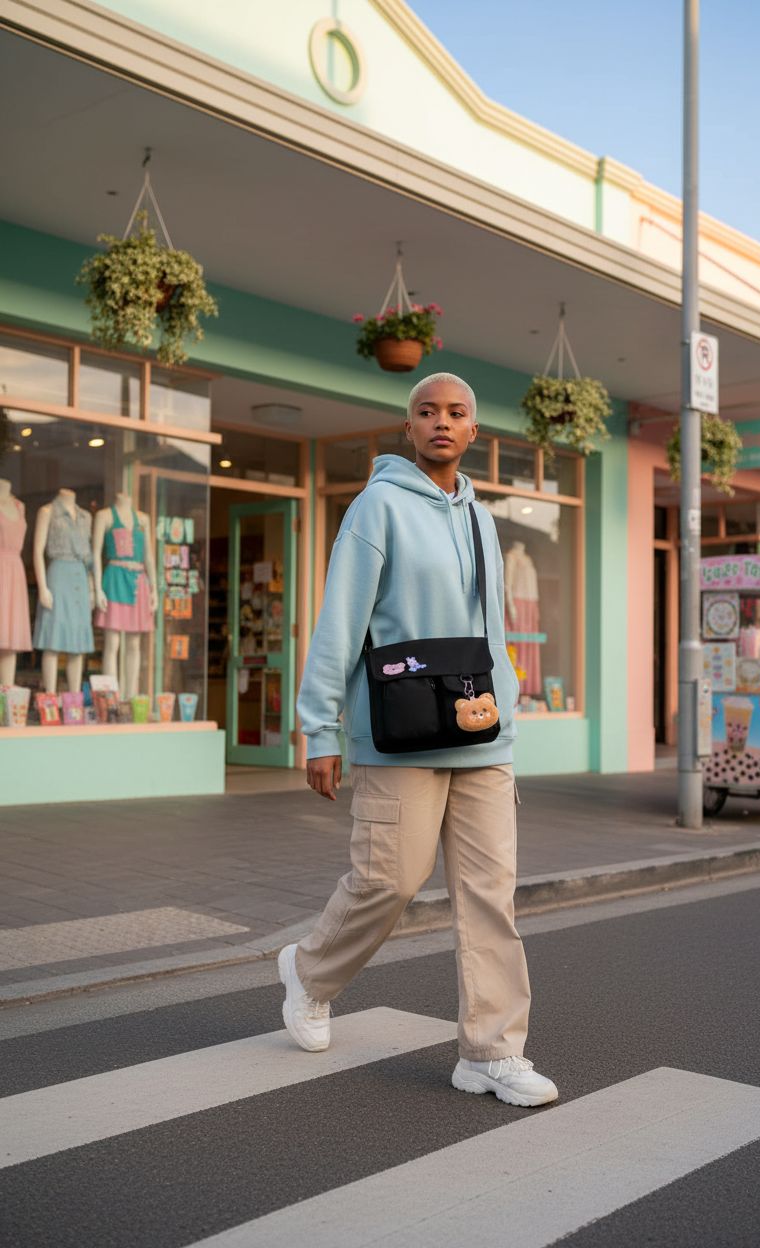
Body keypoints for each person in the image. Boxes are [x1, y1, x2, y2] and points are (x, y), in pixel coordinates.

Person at [279, 372, 557, 1109]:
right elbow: (341, 621)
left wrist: (511, 709)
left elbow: (493, 626)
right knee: (388, 881)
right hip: (397, 733)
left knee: (489, 897)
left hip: (480, 736)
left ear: (473, 433)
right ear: (409, 429)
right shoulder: (377, 507)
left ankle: (493, 1052)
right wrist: (319, 730)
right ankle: (308, 976)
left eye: (456, 413)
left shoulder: (481, 519)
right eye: (427, 411)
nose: (441, 422)